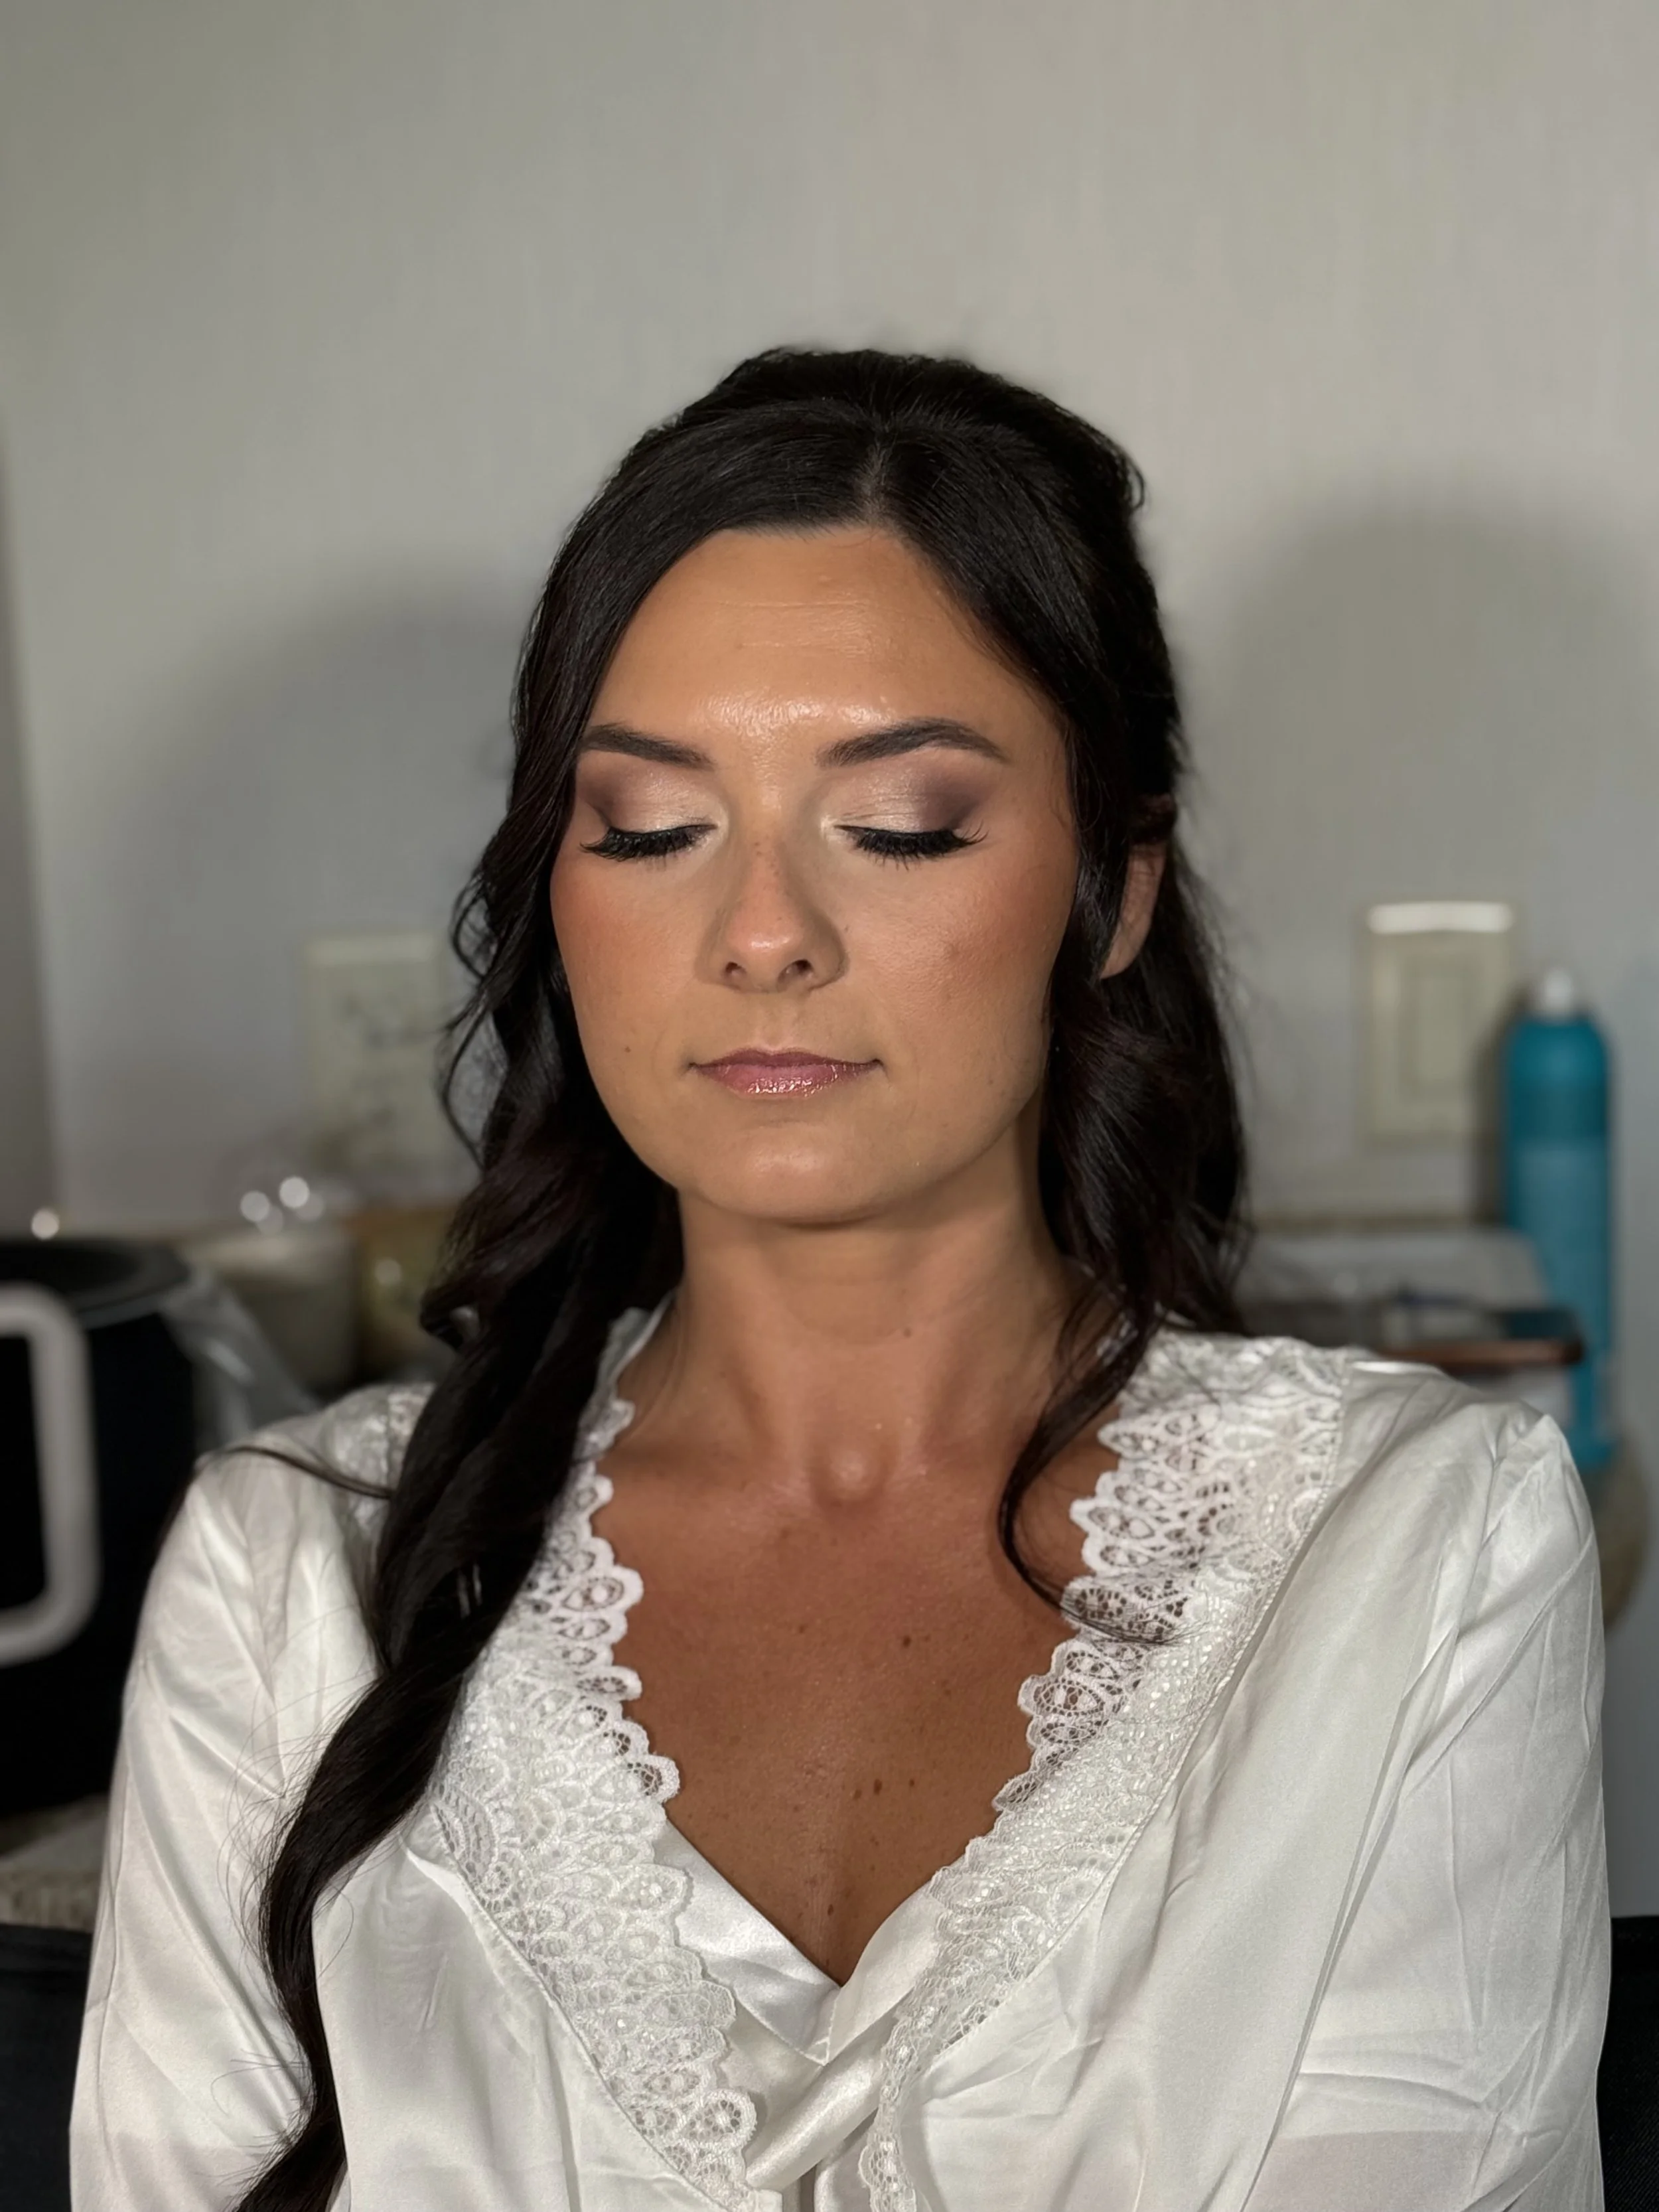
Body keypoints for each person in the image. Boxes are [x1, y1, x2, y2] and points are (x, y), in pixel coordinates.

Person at [70, 350, 1607, 2212]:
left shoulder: (1418, 1547)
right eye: (648, 826)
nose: (764, 934)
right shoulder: (290, 1585)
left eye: (899, 825)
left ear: (1108, 888)